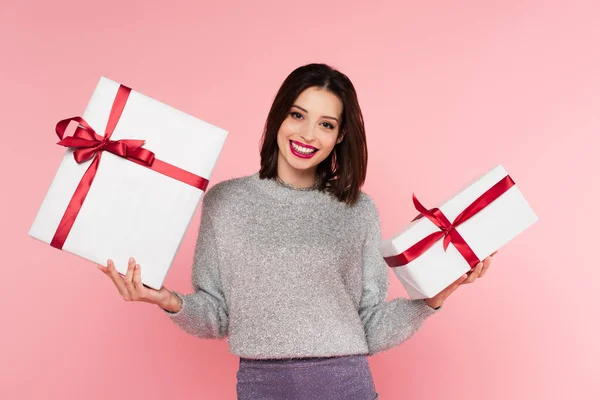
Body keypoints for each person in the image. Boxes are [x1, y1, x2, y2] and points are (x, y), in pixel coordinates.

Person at [97, 63, 495, 400]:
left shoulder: (358, 210)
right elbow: (216, 316)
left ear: (339, 136)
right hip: (259, 386)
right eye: (297, 115)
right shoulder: (226, 201)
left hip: (345, 386)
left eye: (325, 124)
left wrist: (432, 299)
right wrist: (167, 300)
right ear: (278, 118)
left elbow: (370, 326)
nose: (307, 134)